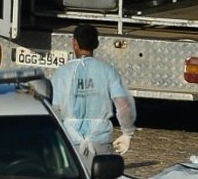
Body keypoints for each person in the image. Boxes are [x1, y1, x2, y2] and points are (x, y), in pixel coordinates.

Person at [51, 24, 136, 168]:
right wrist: (127, 133)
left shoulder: (62, 73)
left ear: (75, 43)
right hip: (100, 139)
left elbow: (55, 109)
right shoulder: (108, 71)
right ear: (96, 44)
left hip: (70, 140)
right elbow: (124, 105)